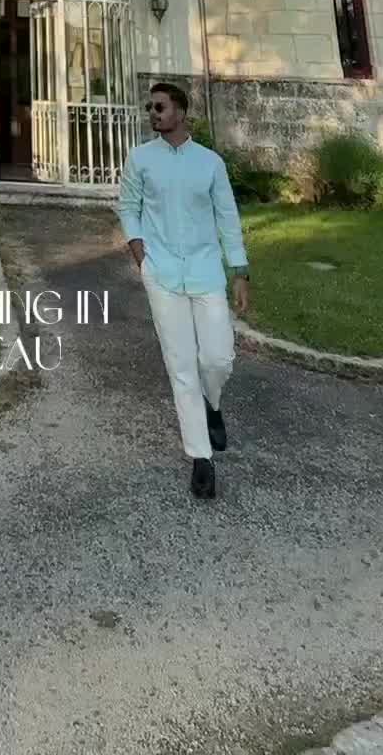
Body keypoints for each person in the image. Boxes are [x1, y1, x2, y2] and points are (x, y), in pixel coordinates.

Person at [117, 80, 250, 500]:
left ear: (180, 113)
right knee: (181, 364)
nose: (153, 114)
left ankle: (214, 404)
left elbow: (227, 217)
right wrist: (141, 255)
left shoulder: (210, 163)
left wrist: (240, 270)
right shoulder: (140, 158)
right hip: (162, 273)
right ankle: (201, 458)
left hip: (206, 270)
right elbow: (129, 206)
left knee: (217, 357)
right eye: (150, 108)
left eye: (160, 107)